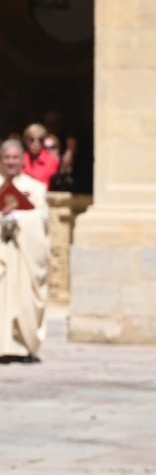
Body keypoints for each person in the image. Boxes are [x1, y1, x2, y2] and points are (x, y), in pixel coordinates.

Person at [0, 139, 50, 363]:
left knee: (23, 300)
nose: (11, 162)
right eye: (7, 158)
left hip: (24, 257)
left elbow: (43, 220)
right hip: (2, 254)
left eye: (15, 158)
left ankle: (23, 347)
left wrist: (20, 217)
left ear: (22, 161)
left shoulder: (36, 188)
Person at [20, 123, 60, 187]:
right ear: (25, 140)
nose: (36, 144)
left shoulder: (52, 161)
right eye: (32, 140)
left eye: (40, 140)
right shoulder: (19, 159)